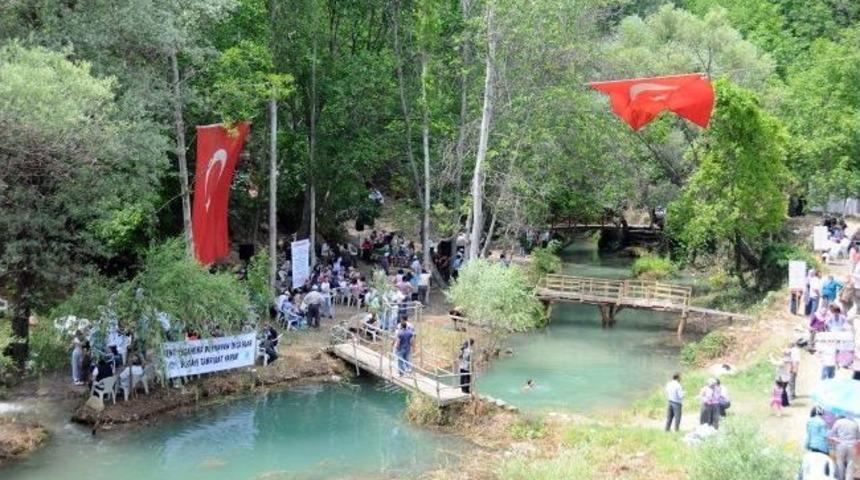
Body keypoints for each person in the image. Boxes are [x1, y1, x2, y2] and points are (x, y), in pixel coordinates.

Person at [828, 415, 858, 480]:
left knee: (840, 463)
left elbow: (831, 434)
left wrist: (835, 439)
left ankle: (840, 478)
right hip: (852, 446)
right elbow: (858, 438)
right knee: (850, 463)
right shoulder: (854, 424)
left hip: (841, 445)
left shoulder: (838, 422)